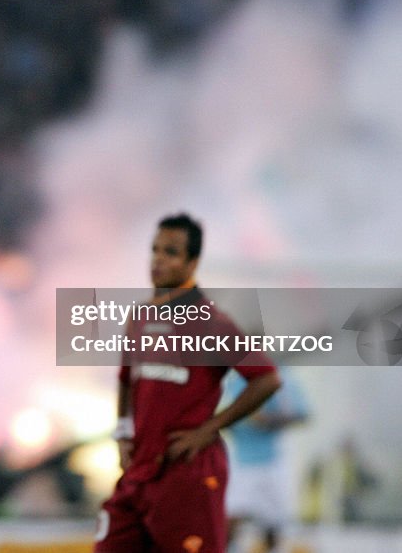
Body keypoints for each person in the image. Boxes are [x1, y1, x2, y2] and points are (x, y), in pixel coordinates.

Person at [94, 213, 282, 553]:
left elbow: (266, 379)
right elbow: (125, 381)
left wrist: (209, 428)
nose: (157, 260)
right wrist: (122, 432)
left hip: (187, 473)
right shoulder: (140, 317)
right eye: (155, 250)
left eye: (170, 252)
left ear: (193, 262)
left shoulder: (211, 323)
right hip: (139, 472)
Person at [223, 367, 309, 553]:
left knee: (273, 525)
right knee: (230, 519)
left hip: (273, 462)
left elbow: (302, 414)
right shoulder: (230, 380)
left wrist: (267, 420)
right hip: (240, 463)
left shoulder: (280, 377)